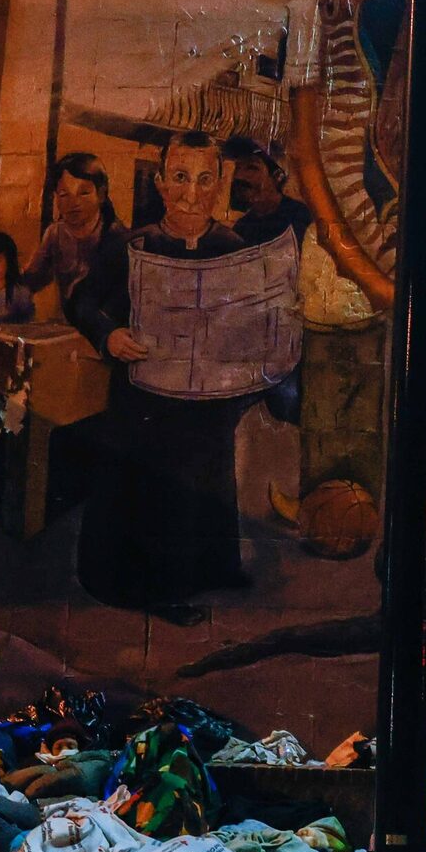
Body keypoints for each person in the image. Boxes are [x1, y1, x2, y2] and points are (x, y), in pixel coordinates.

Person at [64, 131, 264, 624]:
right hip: (144, 403)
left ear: (220, 184)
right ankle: (154, 590)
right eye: (179, 178)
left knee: (209, 479)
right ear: (160, 183)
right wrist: (109, 336)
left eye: (203, 179)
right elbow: (82, 302)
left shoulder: (233, 248)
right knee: (152, 488)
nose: (191, 194)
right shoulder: (131, 247)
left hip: (208, 400)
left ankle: (213, 568)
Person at [22, 151, 129, 317]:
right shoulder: (55, 233)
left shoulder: (117, 239)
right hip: (67, 329)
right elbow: (35, 278)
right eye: (64, 195)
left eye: (84, 193)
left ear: (100, 194)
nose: (73, 203)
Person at [223, 136, 315, 247]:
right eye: (237, 168)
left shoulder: (301, 218)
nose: (239, 176)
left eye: (252, 168)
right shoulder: (242, 227)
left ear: (277, 176)